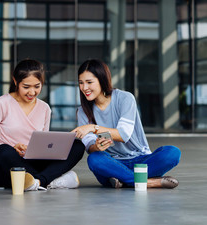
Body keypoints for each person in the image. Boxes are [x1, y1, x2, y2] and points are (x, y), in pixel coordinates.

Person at [72, 59, 181, 189]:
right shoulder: (82, 112)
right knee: (95, 160)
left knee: (172, 152)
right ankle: (147, 182)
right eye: (81, 83)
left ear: (102, 80)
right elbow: (90, 147)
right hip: (113, 163)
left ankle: (124, 179)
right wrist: (97, 146)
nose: (84, 88)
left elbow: (123, 135)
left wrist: (92, 128)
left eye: (89, 82)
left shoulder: (125, 98)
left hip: (140, 159)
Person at [0, 59, 85, 190]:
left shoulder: (44, 108)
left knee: (77, 145)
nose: (32, 92)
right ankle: (51, 180)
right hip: (6, 166)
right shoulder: (1, 104)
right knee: (3, 151)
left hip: (34, 163)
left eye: (37, 86)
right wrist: (13, 148)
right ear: (16, 81)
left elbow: (44, 141)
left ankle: (38, 181)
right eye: (26, 87)